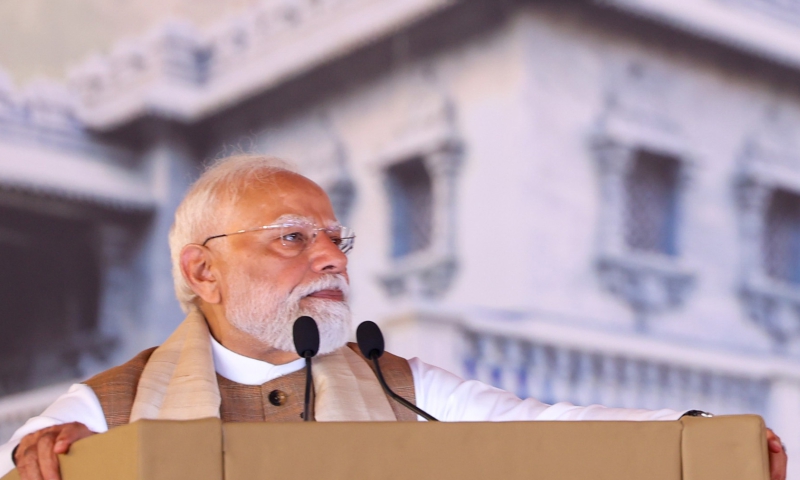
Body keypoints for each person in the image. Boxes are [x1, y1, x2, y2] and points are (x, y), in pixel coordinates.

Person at [0, 155, 788, 480]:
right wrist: (35, 458)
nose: (332, 259)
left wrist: (697, 436)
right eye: (293, 238)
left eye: (335, 239)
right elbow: (18, 458)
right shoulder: (108, 408)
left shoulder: (398, 387)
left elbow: (543, 427)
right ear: (202, 270)